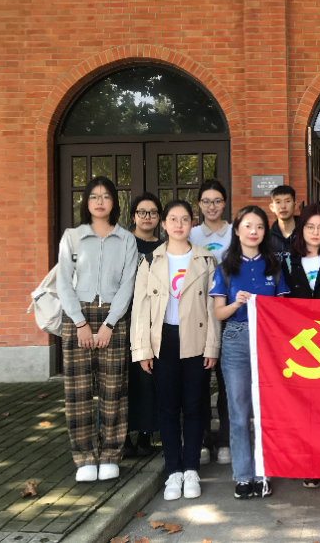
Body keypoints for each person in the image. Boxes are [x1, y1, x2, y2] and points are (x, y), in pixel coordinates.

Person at [131, 200, 220, 501]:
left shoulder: (206, 260)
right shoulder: (150, 260)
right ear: (164, 224)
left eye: (184, 219)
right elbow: (140, 308)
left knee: (194, 407)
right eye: (173, 219)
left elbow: (213, 306)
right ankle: (173, 471)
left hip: (196, 339)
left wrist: (212, 345)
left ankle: (191, 468)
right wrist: (142, 349)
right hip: (163, 341)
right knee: (167, 409)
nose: (179, 224)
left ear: (192, 223)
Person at [56, 176, 138, 483]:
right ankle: (84, 457)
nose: (100, 201)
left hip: (113, 318)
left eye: (105, 196)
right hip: (77, 315)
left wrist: (109, 324)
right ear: (86, 202)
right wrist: (80, 322)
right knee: (78, 391)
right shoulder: (72, 237)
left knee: (113, 390)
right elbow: (63, 282)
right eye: (94, 196)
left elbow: (128, 284)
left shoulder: (126, 239)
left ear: (114, 201)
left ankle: (110, 455)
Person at [210, 206, 289, 499]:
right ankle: (243, 476)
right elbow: (219, 313)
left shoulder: (274, 267)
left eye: (259, 226)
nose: (253, 231)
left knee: (266, 410)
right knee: (239, 410)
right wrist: (237, 304)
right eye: (247, 226)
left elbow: (284, 311)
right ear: (237, 230)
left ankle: (264, 472)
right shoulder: (225, 267)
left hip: (269, 343)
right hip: (236, 339)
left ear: (265, 232)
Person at [281, 203, 320, 492]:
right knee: (304, 410)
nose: (315, 232)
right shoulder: (287, 262)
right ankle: (311, 464)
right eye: (310, 227)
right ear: (301, 229)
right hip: (298, 344)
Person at [188, 179, 232, 467]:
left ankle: (226, 440)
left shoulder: (236, 233)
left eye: (217, 200)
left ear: (224, 203)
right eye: (206, 201)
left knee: (227, 382)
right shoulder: (191, 234)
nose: (212, 206)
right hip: (197, 317)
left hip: (227, 314)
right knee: (199, 382)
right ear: (200, 205)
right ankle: (203, 439)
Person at [123, 193, 164, 458]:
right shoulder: (122, 244)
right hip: (122, 317)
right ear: (133, 216)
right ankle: (122, 434)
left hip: (152, 320)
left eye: (153, 212)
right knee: (122, 378)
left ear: (159, 217)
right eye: (142, 212)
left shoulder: (164, 248)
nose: (147, 217)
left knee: (147, 377)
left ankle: (146, 433)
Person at [269, 185, 297, 253]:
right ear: (272, 207)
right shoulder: (267, 238)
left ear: (295, 205)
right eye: (278, 202)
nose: (283, 206)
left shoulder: (306, 233)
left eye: (287, 201)